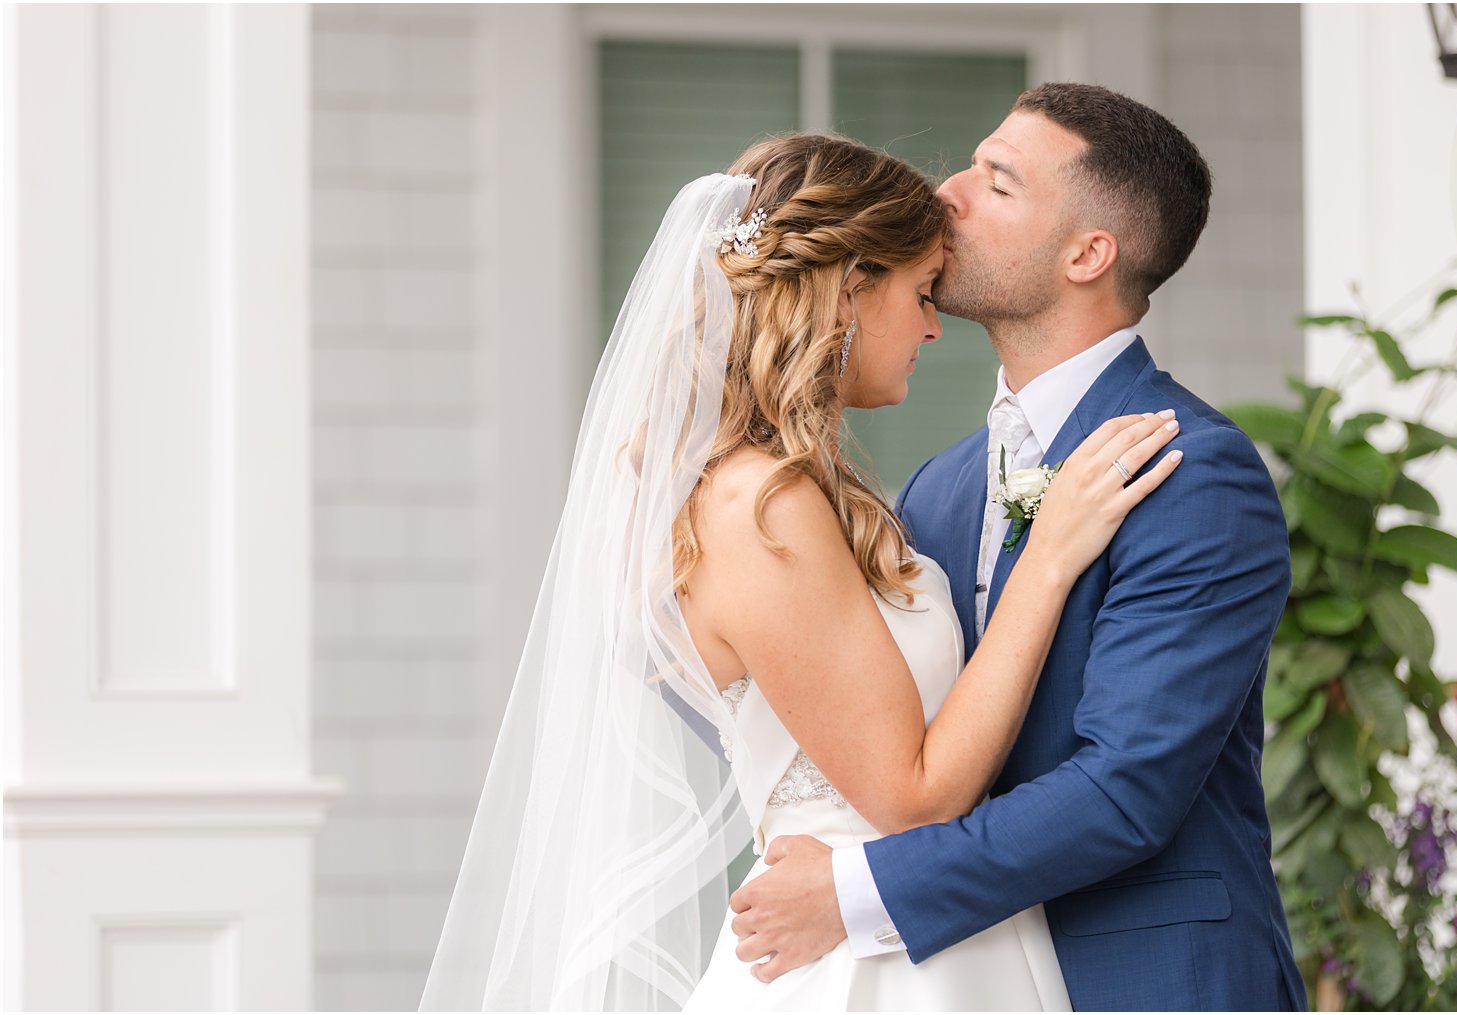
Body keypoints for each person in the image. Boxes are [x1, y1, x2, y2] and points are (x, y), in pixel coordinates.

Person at [419, 131, 1181, 1012]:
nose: (935, 325)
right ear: (850, 287)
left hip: (937, 937)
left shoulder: (805, 488)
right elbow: (914, 794)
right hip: (868, 970)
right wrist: (1047, 556)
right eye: (922, 292)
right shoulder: (755, 505)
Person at [726, 83, 1309, 1012]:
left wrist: (853, 892)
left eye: (997, 182)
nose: (947, 192)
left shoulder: (1190, 471)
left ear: (1088, 253)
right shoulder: (934, 487)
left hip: (1145, 983)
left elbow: (1125, 789)